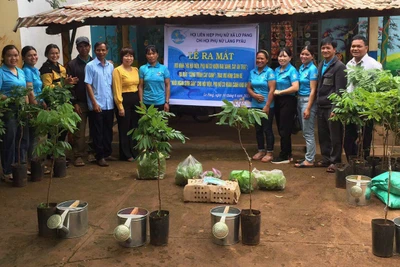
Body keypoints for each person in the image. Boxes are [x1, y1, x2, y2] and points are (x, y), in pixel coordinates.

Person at [343, 35, 382, 161]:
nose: (355, 48)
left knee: (365, 137)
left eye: (359, 46)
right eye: (353, 46)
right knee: (348, 139)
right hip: (351, 108)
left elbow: (379, 86)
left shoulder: (374, 65)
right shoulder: (349, 64)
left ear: (366, 48)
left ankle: (364, 161)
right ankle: (352, 162)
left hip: (366, 108)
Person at [315, 37, 347, 173]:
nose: (325, 50)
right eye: (323, 48)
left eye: (328, 48)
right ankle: (326, 158)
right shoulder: (322, 64)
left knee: (335, 135)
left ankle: (335, 161)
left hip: (331, 107)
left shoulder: (340, 67)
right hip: (321, 105)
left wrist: (335, 109)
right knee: (323, 134)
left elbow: (339, 90)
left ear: (334, 50)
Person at [66, 36, 95, 167]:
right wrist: (74, 102)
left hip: (95, 100)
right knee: (80, 130)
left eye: (86, 46)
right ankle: (78, 155)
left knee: (95, 128)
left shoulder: (95, 62)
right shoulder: (72, 65)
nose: (84, 49)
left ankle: (91, 152)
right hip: (81, 101)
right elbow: (69, 85)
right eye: (80, 46)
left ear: (89, 47)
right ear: (77, 48)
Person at [85, 42, 115, 167]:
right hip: (97, 104)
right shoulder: (90, 66)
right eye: (98, 50)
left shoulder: (110, 66)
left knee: (108, 130)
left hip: (109, 103)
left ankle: (107, 153)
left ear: (107, 51)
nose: (101, 52)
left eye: (103, 50)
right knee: (98, 131)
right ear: (95, 51)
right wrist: (94, 102)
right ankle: (99, 156)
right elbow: (88, 84)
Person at [0, 45, 27, 182]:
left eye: (16, 55)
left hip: (21, 109)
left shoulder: (20, 71)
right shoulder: (1, 72)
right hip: (8, 110)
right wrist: (11, 99)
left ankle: (19, 166)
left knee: (21, 138)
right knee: (9, 140)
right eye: (10, 55)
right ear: (3, 57)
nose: (13, 58)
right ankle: (7, 170)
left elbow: (26, 90)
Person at [247, 50, 276, 163]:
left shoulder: (270, 72)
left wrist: (267, 105)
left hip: (267, 106)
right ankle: (260, 150)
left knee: (267, 129)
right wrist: (254, 95)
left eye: (262, 58)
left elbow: (272, 90)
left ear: (267, 60)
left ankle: (270, 152)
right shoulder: (252, 72)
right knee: (258, 129)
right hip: (255, 105)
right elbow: (248, 87)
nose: (259, 60)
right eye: (258, 58)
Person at [271, 47, 299, 164]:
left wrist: (280, 92)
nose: (282, 58)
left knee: (285, 129)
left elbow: (295, 87)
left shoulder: (292, 70)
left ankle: (284, 155)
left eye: (284, 56)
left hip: (288, 100)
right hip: (278, 100)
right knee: (281, 127)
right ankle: (288, 152)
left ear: (290, 58)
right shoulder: (276, 70)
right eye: (280, 56)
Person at [112, 47, 140, 162]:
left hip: (135, 99)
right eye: (126, 56)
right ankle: (125, 153)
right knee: (124, 128)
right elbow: (116, 89)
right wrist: (120, 106)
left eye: (131, 56)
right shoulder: (117, 70)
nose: (129, 58)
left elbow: (138, 86)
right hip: (124, 99)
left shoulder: (135, 70)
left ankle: (134, 151)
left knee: (134, 127)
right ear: (122, 57)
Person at [294, 46, 318, 168]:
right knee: (305, 131)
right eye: (302, 54)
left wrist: (308, 108)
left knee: (308, 132)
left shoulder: (312, 69)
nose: (304, 56)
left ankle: (310, 159)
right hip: (300, 100)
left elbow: (313, 90)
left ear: (312, 56)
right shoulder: (301, 68)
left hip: (307, 101)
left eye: (307, 54)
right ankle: (308, 156)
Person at [21, 46, 43, 168]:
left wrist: (43, 102)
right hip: (32, 106)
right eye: (29, 55)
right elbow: (29, 90)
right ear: (23, 58)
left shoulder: (35, 70)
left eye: (35, 54)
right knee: (30, 137)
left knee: (35, 136)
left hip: (38, 104)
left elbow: (39, 89)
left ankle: (33, 163)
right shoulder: (27, 71)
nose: (33, 57)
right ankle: (30, 164)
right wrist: (34, 108)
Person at [138, 45, 170, 111]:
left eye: (153, 53)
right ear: (146, 56)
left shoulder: (164, 68)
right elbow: (140, 86)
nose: (151, 56)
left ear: (157, 55)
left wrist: (167, 102)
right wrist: (141, 103)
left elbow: (167, 85)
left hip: (161, 102)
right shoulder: (142, 68)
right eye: (149, 54)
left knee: (160, 121)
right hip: (146, 102)